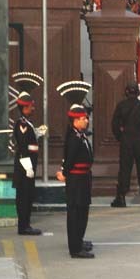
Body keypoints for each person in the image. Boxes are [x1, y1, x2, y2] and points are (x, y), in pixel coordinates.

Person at [55, 99, 95, 259]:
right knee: (76, 213)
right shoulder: (74, 138)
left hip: (83, 179)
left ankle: (79, 240)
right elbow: (70, 159)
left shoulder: (80, 135)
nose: (87, 120)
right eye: (84, 118)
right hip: (76, 180)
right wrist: (64, 173)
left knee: (82, 211)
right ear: (76, 121)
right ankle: (75, 247)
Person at [109, 84, 140, 209]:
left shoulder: (121, 106)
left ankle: (121, 197)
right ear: (138, 93)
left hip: (127, 141)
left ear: (126, 93)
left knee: (125, 169)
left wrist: (121, 137)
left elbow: (114, 125)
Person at [8, 92, 42, 237]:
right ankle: (24, 226)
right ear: (25, 108)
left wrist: (37, 133)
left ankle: (26, 224)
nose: (33, 109)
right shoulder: (22, 124)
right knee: (24, 197)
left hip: (28, 165)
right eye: (31, 107)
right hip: (24, 167)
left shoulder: (27, 123)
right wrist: (28, 167)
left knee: (28, 196)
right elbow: (23, 148)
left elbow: (30, 142)